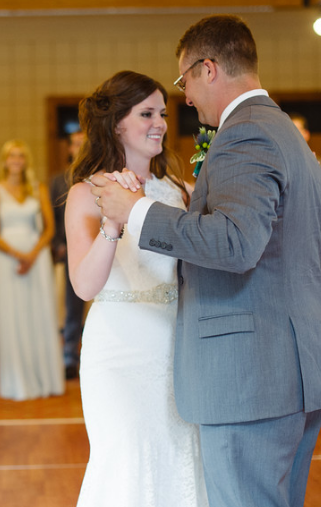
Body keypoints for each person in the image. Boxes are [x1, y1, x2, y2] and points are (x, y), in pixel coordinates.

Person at [90, 15, 321, 507]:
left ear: (209, 69)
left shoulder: (244, 135)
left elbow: (236, 244)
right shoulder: (283, 131)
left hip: (251, 376)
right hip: (291, 365)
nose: (183, 98)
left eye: (184, 81)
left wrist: (136, 210)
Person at [65, 71, 208, 507]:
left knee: (180, 458)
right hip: (117, 355)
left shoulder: (182, 192)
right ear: (117, 125)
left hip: (174, 350)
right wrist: (112, 224)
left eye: (163, 113)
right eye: (146, 113)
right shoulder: (86, 194)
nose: (160, 122)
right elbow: (85, 286)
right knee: (125, 460)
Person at [0, 139, 64, 400]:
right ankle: (17, 381)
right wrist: (18, 254)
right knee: (13, 317)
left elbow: (49, 228)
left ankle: (45, 380)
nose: (16, 160)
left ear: (25, 160)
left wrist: (32, 254)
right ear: (5, 161)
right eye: (12, 156)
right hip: (7, 260)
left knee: (39, 315)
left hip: (37, 257)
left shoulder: (37, 188)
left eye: (20, 155)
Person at [50, 130, 86, 379]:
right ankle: (70, 355)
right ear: (70, 149)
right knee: (72, 306)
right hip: (70, 251)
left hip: (102, 247)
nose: (79, 146)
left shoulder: (102, 174)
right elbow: (51, 217)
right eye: (75, 143)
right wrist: (58, 244)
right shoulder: (58, 181)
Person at [289, 113, 321, 289]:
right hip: (286, 238)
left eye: (297, 129)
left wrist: (316, 226)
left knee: (318, 289)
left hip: (314, 236)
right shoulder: (276, 164)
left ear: (306, 134)